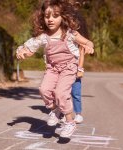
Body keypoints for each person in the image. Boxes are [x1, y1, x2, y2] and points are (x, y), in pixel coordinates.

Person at [16, 0, 94, 138]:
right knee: (44, 90)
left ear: (63, 17)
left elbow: (87, 42)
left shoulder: (70, 33)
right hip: (52, 68)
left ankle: (70, 122)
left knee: (61, 94)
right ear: (42, 17)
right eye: (47, 16)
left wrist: (89, 46)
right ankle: (55, 109)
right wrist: (22, 52)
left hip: (69, 68)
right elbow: (29, 49)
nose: (50, 19)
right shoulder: (43, 36)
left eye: (55, 16)